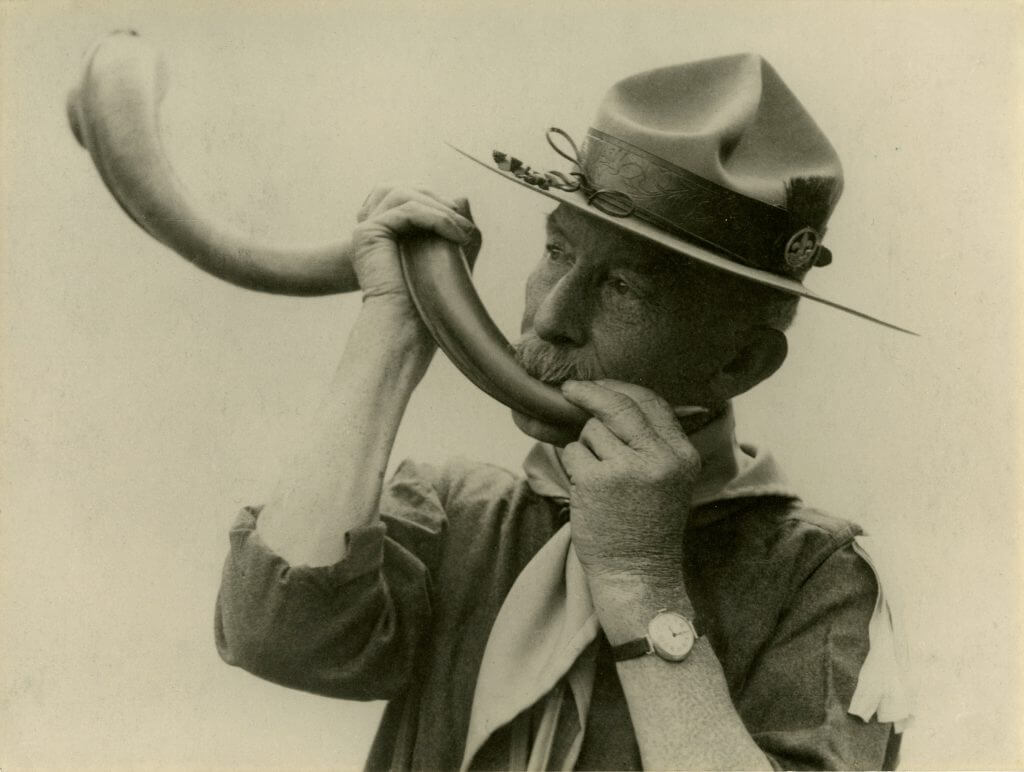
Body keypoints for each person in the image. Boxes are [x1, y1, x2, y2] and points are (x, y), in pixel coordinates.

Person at [214, 54, 912, 770]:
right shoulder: (458, 514)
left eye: (622, 288)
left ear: (740, 364)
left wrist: (640, 581)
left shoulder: (818, 577)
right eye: (556, 250)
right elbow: (274, 633)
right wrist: (390, 332)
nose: (550, 318)